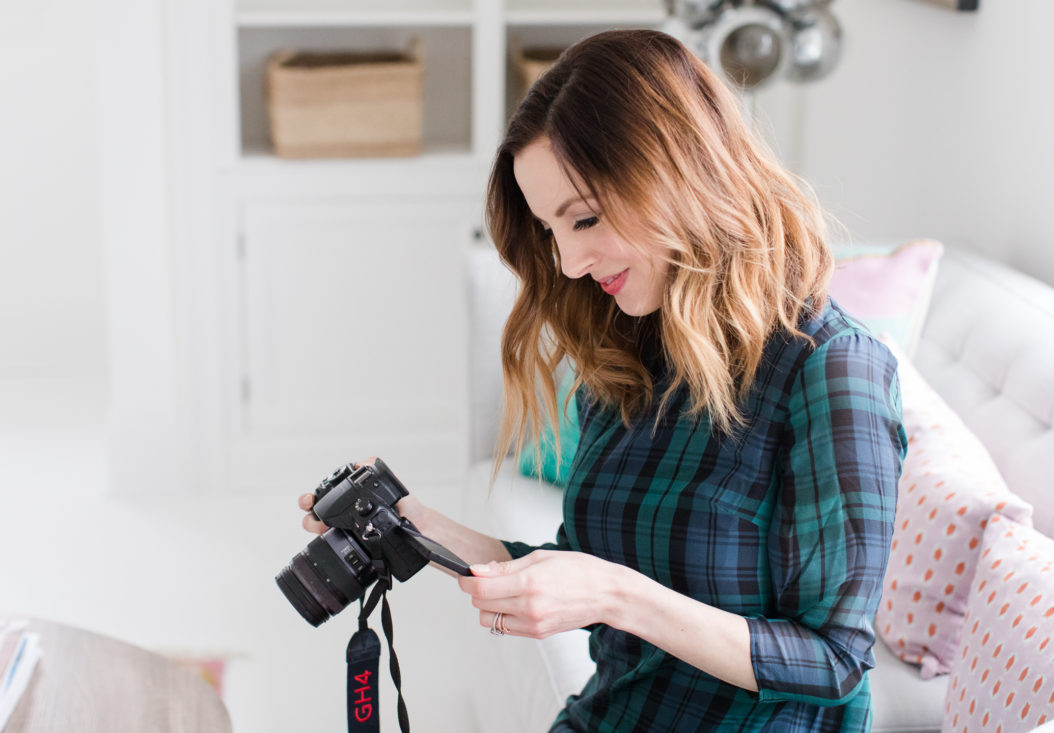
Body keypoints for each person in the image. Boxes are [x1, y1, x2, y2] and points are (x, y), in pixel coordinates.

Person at [301, 28, 905, 732]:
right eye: (550, 230)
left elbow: (834, 659)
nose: (567, 263)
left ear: (679, 172)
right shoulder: (629, 351)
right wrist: (411, 525)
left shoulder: (832, 367)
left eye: (584, 218)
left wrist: (616, 595)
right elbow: (584, 570)